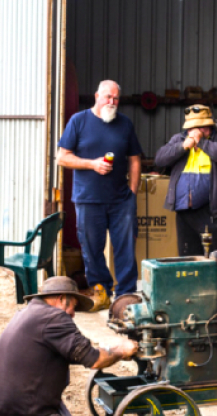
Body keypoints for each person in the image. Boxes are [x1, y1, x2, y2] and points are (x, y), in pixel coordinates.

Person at [0, 276, 138, 416]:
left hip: (1, 402)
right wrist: (122, 350)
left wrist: (109, 348)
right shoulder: (55, 319)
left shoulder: (27, 313)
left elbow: (78, 350)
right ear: (61, 298)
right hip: (26, 410)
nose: (73, 313)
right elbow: (95, 360)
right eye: (73, 306)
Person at [56, 80, 143, 311]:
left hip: (121, 200)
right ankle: (101, 291)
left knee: (125, 249)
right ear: (97, 96)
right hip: (88, 199)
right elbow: (62, 157)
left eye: (116, 98)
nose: (111, 102)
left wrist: (132, 192)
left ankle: (125, 296)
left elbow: (135, 159)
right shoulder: (79, 121)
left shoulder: (125, 124)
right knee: (92, 249)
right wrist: (92, 164)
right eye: (107, 97)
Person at [155, 105, 217, 255]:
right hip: (184, 211)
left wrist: (202, 142)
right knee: (187, 257)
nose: (197, 131)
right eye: (193, 127)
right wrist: (183, 146)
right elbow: (160, 159)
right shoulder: (179, 138)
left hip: (209, 211)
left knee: (212, 257)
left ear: (209, 125)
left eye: (201, 127)